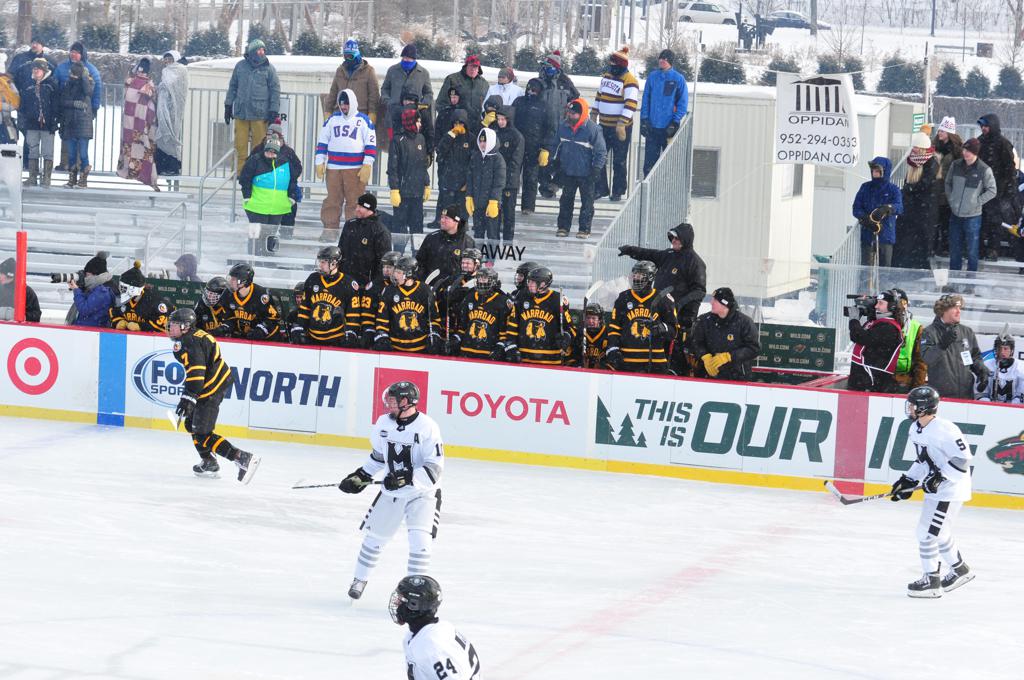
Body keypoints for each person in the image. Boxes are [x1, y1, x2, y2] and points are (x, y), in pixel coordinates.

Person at [339, 381, 444, 600]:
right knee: (374, 539)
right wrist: (361, 475)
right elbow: (378, 457)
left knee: (420, 543)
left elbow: (434, 468)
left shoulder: (427, 427)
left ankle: (415, 592)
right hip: (392, 493)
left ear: (406, 402)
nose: (389, 404)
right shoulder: (383, 423)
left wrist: (407, 478)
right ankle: (359, 580)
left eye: (393, 401)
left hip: (422, 494)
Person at [889, 385, 975, 598]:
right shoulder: (915, 429)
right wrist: (908, 479)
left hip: (950, 490)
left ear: (924, 408)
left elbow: (964, 459)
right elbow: (923, 460)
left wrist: (940, 478)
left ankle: (932, 582)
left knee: (927, 534)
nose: (909, 408)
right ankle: (960, 570)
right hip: (937, 489)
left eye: (913, 405)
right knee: (939, 533)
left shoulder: (945, 429)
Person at [168, 308, 260, 484]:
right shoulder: (193, 336)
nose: (170, 328)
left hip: (211, 388)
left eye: (174, 325)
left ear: (185, 326)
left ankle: (242, 457)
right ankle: (209, 462)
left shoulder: (189, 342)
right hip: (213, 383)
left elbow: (197, 374)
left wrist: (188, 397)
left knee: (202, 433)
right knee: (191, 424)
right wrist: (189, 397)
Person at [618, 222, 707, 375]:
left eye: (677, 238)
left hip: (679, 317)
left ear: (685, 239)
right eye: (672, 238)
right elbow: (649, 254)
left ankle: (674, 376)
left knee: (675, 356)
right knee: (656, 351)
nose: (674, 241)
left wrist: (682, 309)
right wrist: (630, 250)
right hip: (658, 312)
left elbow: (699, 292)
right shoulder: (668, 255)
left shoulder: (695, 262)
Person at [390, 575, 481, 680]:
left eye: (401, 600)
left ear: (414, 605)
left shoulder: (431, 645)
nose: (396, 603)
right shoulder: (434, 631)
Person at [316, 88, 377, 241]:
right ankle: (329, 231)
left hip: (355, 169)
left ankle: (353, 233)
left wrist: (367, 164)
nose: (344, 107)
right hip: (334, 168)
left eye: (347, 104)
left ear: (353, 103)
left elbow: (370, 144)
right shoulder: (332, 120)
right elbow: (322, 141)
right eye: (342, 104)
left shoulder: (364, 120)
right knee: (332, 200)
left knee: (354, 202)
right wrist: (319, 161)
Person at [605, 261, 677, 373]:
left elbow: (674, 331)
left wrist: (662, 328)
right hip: (627, 362)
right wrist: (613, 349)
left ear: (650, 277)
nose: (636, 279)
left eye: (640, 276)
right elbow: (614, 329)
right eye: (635, 275)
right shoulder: (624, 297)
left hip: (655, 363)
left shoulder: (663, 299)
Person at [225, 39, 280, 175]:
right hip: (241, 113)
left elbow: (275, 90)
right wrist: (228, 105)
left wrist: (273, 110)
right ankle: (239, 173)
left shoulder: (269, 68)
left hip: (260, 114)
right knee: (239, 146)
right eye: (259, 50)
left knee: (259, 147)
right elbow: (233, 86)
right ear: (252, 52)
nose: (262, 52)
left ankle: (257, 173)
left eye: (263, 50)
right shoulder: (240, 66)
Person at [553, 99, 606, 239]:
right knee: (565, 200)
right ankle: (563, 227)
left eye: (573, 114)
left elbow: (601, 152)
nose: (570, 116)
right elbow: (555, 146)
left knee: (587, 203)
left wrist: (596, 169)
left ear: (581, 114)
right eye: (569, 113)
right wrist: (553, 163)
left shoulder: (593, 129)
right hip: (568, 171)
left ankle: (584, 229)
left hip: (586, 173)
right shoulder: (562, 127)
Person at [238, 135, 300, 255]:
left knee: (271, 234)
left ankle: (268, 257)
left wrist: (292, 196)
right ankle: (254, 257)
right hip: (256, 206)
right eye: (268, 151)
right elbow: (245, 178)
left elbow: (292, 180)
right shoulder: (255, 160)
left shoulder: (285, 162)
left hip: (277, 207)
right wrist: (247, 196)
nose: (270, 154)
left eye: (273, 152)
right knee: (256, 235)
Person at [919, 293, 988, 399]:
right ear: (943, 310)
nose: (959, 311)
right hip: (941, 398)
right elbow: (927, 358)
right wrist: (941, 345)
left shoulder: (967, 332)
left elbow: (975, 357)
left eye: (960, 308)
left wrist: (981, 370)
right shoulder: (929, 332)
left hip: (966, 396)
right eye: (955, 308)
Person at [290, 246, 362, 346]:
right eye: (320, 262)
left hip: (336, 340)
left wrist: (351, 332)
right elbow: (305, 308)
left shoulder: (348, 283)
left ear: (334, 263)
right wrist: (300, 326)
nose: (320, 265)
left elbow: (353, 315)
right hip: (312, 338)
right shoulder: (313, 279)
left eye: (323, 262)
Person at [945, 137, 997, 274]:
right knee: (955, 249)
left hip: (973, 217)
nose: (965, 153)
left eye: (969, 151)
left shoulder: (984, 169)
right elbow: (948, 183)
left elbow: (992, 190)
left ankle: (971, 280)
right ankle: (954, 277)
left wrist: (976, 202)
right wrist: (951, 199)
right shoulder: (955, 165)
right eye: (964, 150)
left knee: (972, 251)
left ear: (976, 152)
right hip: (955, 214)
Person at [594, 46, 639, 202]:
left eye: (614, 63)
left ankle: (618, 191)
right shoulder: (606, 76)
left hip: (620, 127)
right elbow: (599, 96)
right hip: (604, 125)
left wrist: (622, 123)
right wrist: (594, 114)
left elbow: (631, 104)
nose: (611, 66)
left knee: (619, 160)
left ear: (620, 65)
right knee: (599, 156)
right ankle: (600, 188)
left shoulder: (630, 80)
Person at [505, 266, 575, 365]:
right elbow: (512, 326)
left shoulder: (557, 300)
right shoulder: (521, 296)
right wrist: (511, 346)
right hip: (524, 358)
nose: (529, 284)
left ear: (543, 284)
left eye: (533, 282)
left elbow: (571, 328)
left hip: (551, 360)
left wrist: (567, 337)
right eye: (529, 281)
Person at [373, 255, 442, 354]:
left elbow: (434, 320)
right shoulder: (389, 291)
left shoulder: (424, 291)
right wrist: (382, 336)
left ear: (408, 274)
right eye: (395, 271)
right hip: (395, 348)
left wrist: (434, 335)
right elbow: (382, 320)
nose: (395, 275)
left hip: (420, 348)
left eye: (399, 272)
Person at [52, 41, 102, 172]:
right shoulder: (62, 68)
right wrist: (57, 107)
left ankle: (79, 166)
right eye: (72, 52)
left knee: (81, 140)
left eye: (77, 53)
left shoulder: (91, 70)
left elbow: (97, 90)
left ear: (82, 54)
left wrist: (94, 108)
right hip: (66, 109)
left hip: (83, 112)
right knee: (66, 138)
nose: (73, 54)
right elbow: (55, 86)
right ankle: (65, 163)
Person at [690, 287, 760, 380]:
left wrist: (729, 356)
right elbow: (695, 342)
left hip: (737, 378)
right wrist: (705, 357)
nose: (711, 302)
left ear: (725, 304)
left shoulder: (744, 322)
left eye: (715, 300)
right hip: (707, 376)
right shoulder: (703, 320)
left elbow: (754, 348)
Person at [537, 50, 580, 197]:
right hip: (543, 128)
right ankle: (544, 185)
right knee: (543, 159)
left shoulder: (565, 82)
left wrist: (570, 115)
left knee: (563, 160)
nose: (546, 69)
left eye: (549, 66)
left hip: (562, 127)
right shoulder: (539, 81)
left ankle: (554, 185)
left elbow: (576, 98)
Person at [893, 132, 938, 269]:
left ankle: (918, 266)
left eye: (916, 147)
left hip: (923, 210)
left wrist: (909, 189)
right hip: (910, 208)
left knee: (919, 242)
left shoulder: (931, 162)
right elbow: (908, 182)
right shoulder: (912, 161)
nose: (914, 149)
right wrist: (907, 190)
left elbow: (925, 184)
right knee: (906, 240)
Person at [640, 49, 688, 177]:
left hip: (668, 129)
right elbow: (646, 99)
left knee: (668, 164)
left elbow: (683, 103)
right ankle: (649, 187)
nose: (661, 61)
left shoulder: (678, 79)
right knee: (649, 165)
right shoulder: (652, 77)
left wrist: (675, 121)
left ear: (670, 61)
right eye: (660, 58)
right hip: (652, 127)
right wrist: (644, 119)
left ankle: (665, 187)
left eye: (665, 59)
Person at [976, 114, 1017, 261]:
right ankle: (979, 248)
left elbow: (1010, 169)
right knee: (980, 219)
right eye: (982, 126)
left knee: (995, 221)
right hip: (980, 188)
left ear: (993, 126)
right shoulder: (980, 141)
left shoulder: (1003, 143)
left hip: (998, 189)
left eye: (986, 126)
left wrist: (1009, 189)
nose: (983, 128)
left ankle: (993, 249)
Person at [846, 289, 904, 393]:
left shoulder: (889, 328)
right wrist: (867, 305)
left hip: (872, 381)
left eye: (880, 303)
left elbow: (861, 337)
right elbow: (855, 335)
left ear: (891, 306)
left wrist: (854, 320)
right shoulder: (877, 322)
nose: (876, 306)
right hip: (863, 377)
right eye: (876, 303)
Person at [250, 124, 303, 238]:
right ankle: (263, 236)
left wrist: (286, 178)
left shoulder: (287, 151)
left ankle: (286, 233)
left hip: (284, 187)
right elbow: (249, 167)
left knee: (289, 210)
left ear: (280, 136)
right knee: (263, 216)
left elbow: (297, 167)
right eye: (269, 134)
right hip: (263, 190)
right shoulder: (259, 149)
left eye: (274, 134)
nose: (271, 137)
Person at [116, 59, 160, 190]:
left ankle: (130, 169)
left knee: (130, 144)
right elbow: (152, 104)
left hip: (130, 121)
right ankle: (145, 174)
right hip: (142, 121)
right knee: (144, 146)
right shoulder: (149, 85)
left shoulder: (131, 81)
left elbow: (128, 96)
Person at [852, 156, 903, 268]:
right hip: (867, 234)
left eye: (877, 171)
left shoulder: (893, 189)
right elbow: (856, 208)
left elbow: (899, 207)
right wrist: (865, 219)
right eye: (873, 171)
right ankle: (865, 281)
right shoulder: (865, 187)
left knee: (884, 270)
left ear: (885, 171)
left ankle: (883, 281)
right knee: (866, 269)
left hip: (886, 235)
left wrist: (887, 208)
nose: (874, 173)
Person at [450, 268, 511, 360]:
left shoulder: (502, 301)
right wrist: (456, 338)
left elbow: (504, 331)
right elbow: (462, 327)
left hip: (488, 353)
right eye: (479, 278)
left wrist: (500, 346)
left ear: (493, 281)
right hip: (466, 351)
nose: (481, 281)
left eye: (484, 278)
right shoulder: (469, 297)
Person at [380, 45, 433, 151]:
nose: (405, 60)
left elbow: (428, 93)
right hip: (394, 116)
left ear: (414, 59)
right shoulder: (392, 70)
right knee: (395, 148)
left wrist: (421, 105)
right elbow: (385, 89)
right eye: (404, 58)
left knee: (412, 149)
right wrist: (389, 102)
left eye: (408, 58)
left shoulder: (423, 73)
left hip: (414, 118)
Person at [388, 109, 431, 239]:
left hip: (417, 193)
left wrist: (426, 184)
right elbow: (393, 167)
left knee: (417, 229)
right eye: (418, 121)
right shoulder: (397, 140)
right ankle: (398, 250)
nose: (420, 124)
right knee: (400, 229)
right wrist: (394, 189)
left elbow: (423, 165)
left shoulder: (421, 138)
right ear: (411, 122)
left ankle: (417, 251)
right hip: (402, 193)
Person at [514, 78, 554, 215]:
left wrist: (546, 148)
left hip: (535, 148)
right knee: (512, 178)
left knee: (531, 179)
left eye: (534, 90)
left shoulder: (545, 107)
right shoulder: (519, 102)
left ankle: (528, 207)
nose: (531, 92)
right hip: (516, 146)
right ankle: (508, 204)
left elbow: (550, 129)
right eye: (529, 89)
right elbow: (510, 120)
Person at [216, 262, 281, 341]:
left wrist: (261, 330)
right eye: (231, 278)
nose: (230, 282)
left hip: (268, 340)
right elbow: (229, 317)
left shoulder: (262, 295)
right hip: (243, 338)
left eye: (234, 279)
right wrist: (225, 327)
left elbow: (273, 319)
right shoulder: (228, 294)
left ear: (243, 281)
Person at [19, 58, 58, 187]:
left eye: (38, 69)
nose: (35, 71)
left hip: (48, 123)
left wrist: (55, 120)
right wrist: (23, 118)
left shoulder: (51, 84)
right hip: (32, 122)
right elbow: (23, 105)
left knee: (47, 151)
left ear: (44, 70)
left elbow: (56, 105)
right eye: (34, 69)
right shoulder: (28, 84)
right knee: (33, 150)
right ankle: (32, 177)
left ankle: (46, 178)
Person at [339, 192, 393, 286]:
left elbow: (384, 261)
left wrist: (375, 283)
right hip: (345, 280)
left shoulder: (380, 231)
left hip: (366, 283)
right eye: (357, 206)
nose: (357, 209)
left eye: (361, 207)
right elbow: (340, 249)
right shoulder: (349, 225)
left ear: (369, 209)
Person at [466, 128, 506, 249]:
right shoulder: (476, 157)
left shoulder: (498, 159)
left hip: (491, 205)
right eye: (481, 141)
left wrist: (494, 200)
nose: (483, 144)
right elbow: (470, 178)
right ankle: (477, 255)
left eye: (485, 141)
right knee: (478, 234)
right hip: (478, 204)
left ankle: (491, 257)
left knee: (492, 234)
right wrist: (469, 196)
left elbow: (499, 182)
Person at [57, 59, 94, 189]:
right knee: (72, 154)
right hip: (70, 123)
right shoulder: (68, 84)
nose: (72, 76)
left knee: (83, 153)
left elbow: (88, 93)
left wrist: (84, 78)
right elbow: (63, 101)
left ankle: (83, 179)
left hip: (83, 123)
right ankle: (72, 179)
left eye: (74, 74)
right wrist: (73, 104)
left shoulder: (87, 83)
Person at [416, 206, 476, 283]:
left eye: (446, 218)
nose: (442, 220)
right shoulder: (431, 238)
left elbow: (472, 269)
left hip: (456, 287)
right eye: (442, 217)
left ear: (456, 221)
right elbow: (420, 262)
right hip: (431, 286)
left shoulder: (468, 242)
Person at [433, 109, 472, 226]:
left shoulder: (471, 139)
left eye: (461, 123)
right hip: (449, 180)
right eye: (455, 123)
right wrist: (451, 135)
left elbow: (473, 163)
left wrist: (468, 182)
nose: (458, 126)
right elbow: (440, 151)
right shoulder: (448, 136)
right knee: (447, 212)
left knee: (462, 215)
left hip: (463, 183)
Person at [325, 39, 380, 122]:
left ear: (357, 55)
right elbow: (333, 93)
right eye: (345, 56)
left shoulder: (369, 71)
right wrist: (328, 111)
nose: (348, 59)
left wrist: (372, 114)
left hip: (360, 115)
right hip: (340, 114)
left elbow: (374, 95)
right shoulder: (340, 70)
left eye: (350, 56)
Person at [436, 248, 481, 343]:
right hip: (453, 325)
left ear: (476, 264)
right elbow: (442, 298)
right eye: (463, 263)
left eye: (468, 263)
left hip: (472, 326)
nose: (464, 265)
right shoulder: (455, 278)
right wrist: (445, 295)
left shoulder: (482, 280)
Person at [155, 50, 189, 176]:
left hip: (175, 107)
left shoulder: (181, 70)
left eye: (170, 59)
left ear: (175, 59)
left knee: (171, 134)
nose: (167, 62)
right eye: (165, 59)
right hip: (164, 105)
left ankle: (172, 166)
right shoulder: (166, 71)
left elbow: (174, 85)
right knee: (163, 133)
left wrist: (163, 87)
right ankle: (163, 166)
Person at [109, 264, 171, 332]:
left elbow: (164, 324)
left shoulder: (153, 300)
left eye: (124, 287)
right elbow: (113, 311)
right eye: (121, 286)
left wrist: (141, 327)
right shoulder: (121, 298)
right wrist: (118, 321)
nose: (121, 290)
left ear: (134, 289)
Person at [932, 116, 962, 257]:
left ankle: (945, 246)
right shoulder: (934, 146)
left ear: (949, 133)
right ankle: (933, 246)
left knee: (945, 220)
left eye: (942, 131)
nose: (939, 133)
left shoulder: (957, 150)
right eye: (939, 130)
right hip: (935, 187)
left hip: (948, 188)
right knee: (935, 219)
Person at [494, 106, 524, 244]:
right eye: (498, 119)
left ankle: (508, 242)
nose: (500, 122)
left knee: (508, 214)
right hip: (495, 180)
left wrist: (506, 178)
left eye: (503, 119)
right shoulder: (494, 133)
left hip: (509, 182)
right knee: (494, 214)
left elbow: (515, 162)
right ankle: (493, 242)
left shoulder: (516, 136)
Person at [440, 55, 489, 137]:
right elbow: (441, 103)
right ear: (466, 66)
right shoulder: (452, 79)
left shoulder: (484, 84)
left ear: (479, 68)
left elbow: (487, 104)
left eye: (475, 67)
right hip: (456, 125)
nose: (473, 69)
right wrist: (452, 119)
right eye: (470, 66)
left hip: (476, 127)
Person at [360, 250, 400, 347]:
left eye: (389, 267)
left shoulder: (404, 285)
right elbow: (367, 312)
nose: (385, 270)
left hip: (399, 332)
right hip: (378, 331)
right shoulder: (374, 286)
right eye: (384, 267)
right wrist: (369, 329)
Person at [891, 288, 927, 392]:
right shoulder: (880, 324)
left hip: (904, 382)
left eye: (902, 303)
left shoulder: (916, 328)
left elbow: (921, 363)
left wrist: (916, 389)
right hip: (881, 381)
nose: (899, 307)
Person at [976, 327, 1024, 402]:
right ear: (995, 349)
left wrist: (1010, 406)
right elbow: (980, 394)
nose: (1002, 352)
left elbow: (1021, 396)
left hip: (1013, 408)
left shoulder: (1021, 367)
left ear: (1011, 350)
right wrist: (989, 405)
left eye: (1005, 349)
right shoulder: (986, 366)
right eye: (999, 348)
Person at [68, 252, 116, 327]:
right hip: (87, 328)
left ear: (96, 275)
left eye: (88, 275)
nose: (85, 278)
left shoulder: (102, 292)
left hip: (92, 330)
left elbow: (84, 309)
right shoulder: (94, 287)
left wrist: (77, 290)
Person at [0, 257, 41, 322]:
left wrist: (23, 317)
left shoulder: (27, 292)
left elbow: (36, 315)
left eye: (1, 274)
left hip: (18, 327)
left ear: (9, 275)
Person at [576, 302, 610, 369]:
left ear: (599, 320)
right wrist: (581, 365)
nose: (590, 321)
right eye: (588, 318)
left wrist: (601, 366)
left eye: (593, 318)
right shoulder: (580, 333)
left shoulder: (606, 333)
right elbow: (575, 355)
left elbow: (609, 357)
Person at [0, 72, 18, 145]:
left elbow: (15, 104)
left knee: (9, 148)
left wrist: (1, 106)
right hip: (6, 124)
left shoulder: (7, 82)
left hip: (6, 123)